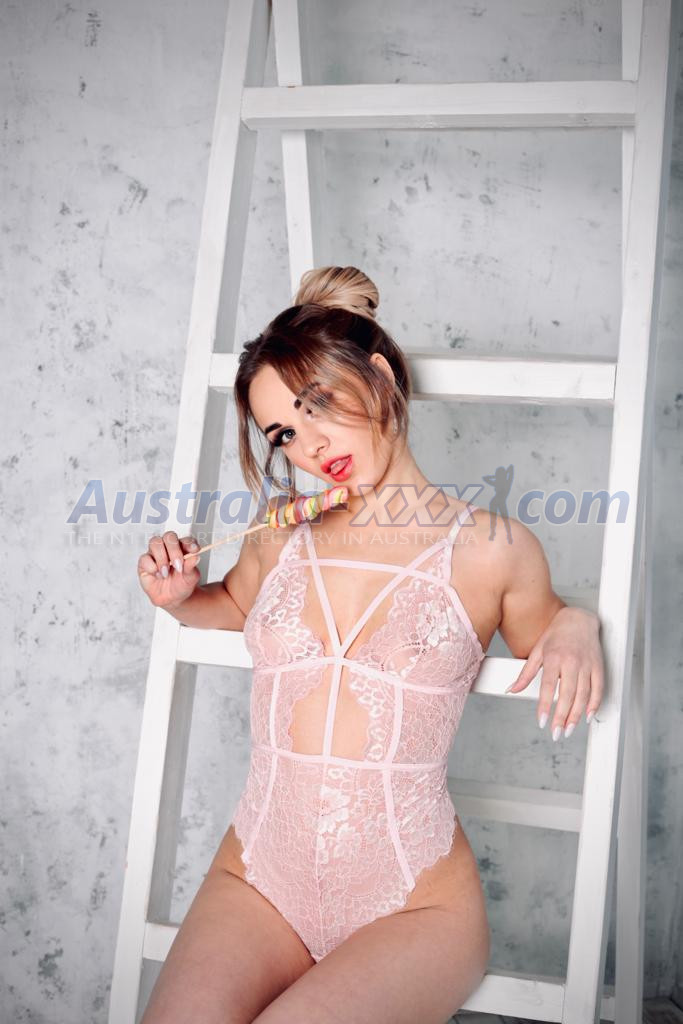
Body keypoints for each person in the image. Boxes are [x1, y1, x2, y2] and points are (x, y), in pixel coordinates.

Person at [136, 266, 604, 1024]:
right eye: (284, 434)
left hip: (414, 906)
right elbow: (232, 606)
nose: (310, 445)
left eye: (318, 403)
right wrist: (181, 595)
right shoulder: (276, 537)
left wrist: (579, 622)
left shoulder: (492, 548)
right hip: (257, 879)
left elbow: (547, 625)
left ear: (380, 376)